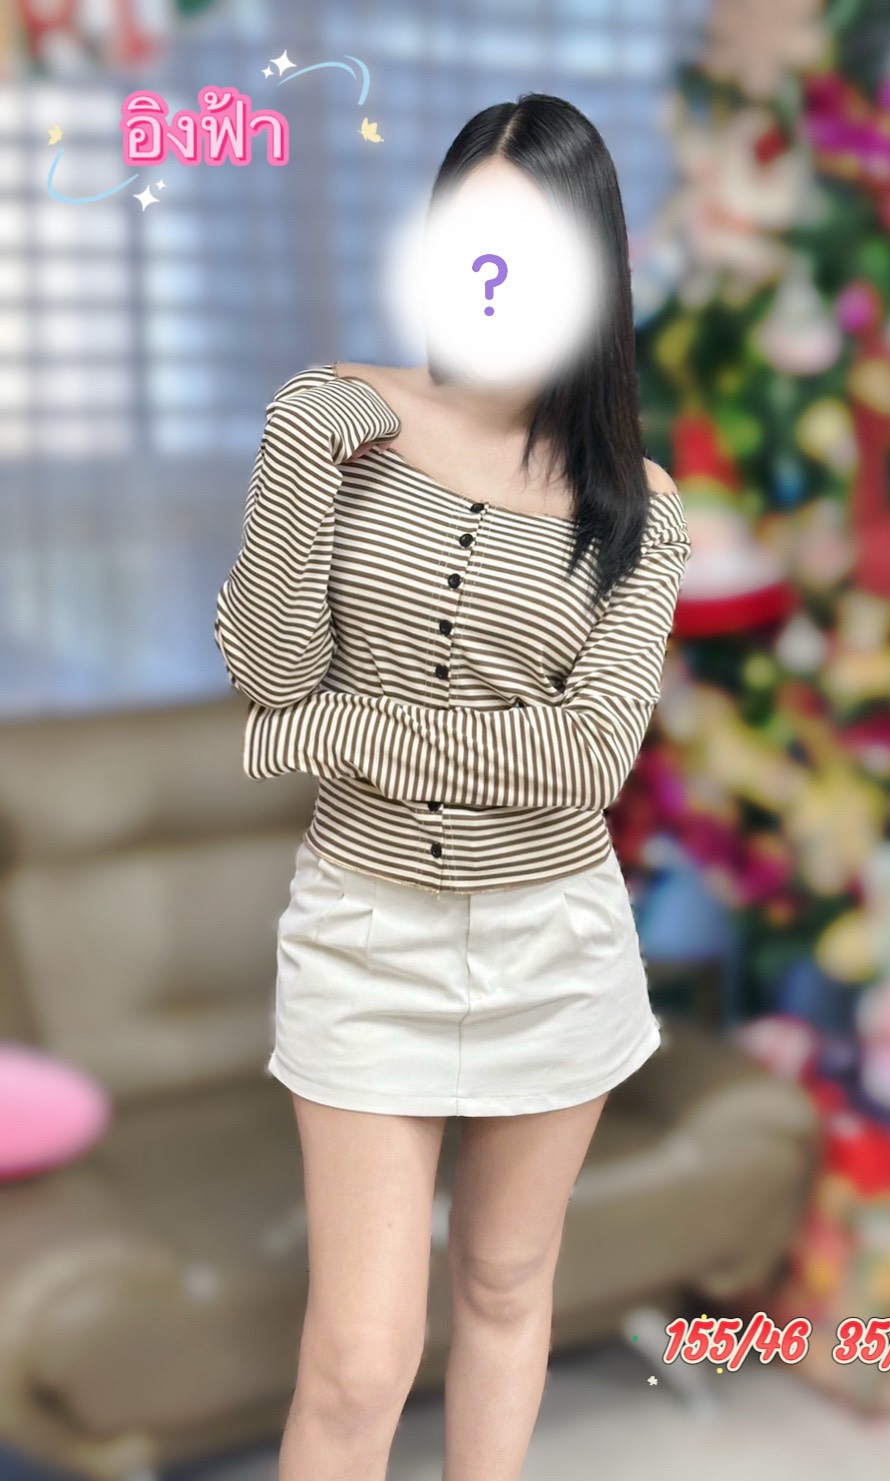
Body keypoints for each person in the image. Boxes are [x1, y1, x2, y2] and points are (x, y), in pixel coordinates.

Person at [213, 92, 691, 1481]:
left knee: (504, 1282)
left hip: (554, 942)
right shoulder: (337, 418)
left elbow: (584, 760)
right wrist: (306, 453)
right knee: (358, 1360)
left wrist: (344, 728)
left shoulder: (638, 504)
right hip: (366, 935)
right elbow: (271, 673)